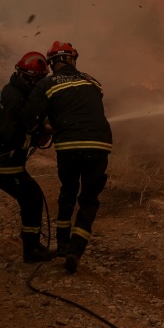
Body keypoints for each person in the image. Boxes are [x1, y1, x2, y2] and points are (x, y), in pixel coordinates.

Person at [19, 41, 112, 274]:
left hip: (69, 145)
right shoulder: (93, 81)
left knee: (68, 192)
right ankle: (75, 251)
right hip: (99, 144)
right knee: (89, 199)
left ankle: (62, 244)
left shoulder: (47, 83)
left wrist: (42, 128)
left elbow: (28, 116)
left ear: (52, 63)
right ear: (72, 60)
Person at [0, 51, 55, 263]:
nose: (42, 84)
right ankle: (32, 249)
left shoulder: (14, 90)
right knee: (31, 196)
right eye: (40, 79)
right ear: (30, 78)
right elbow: (11, 136)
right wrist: (38, 135)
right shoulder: (15, 97)